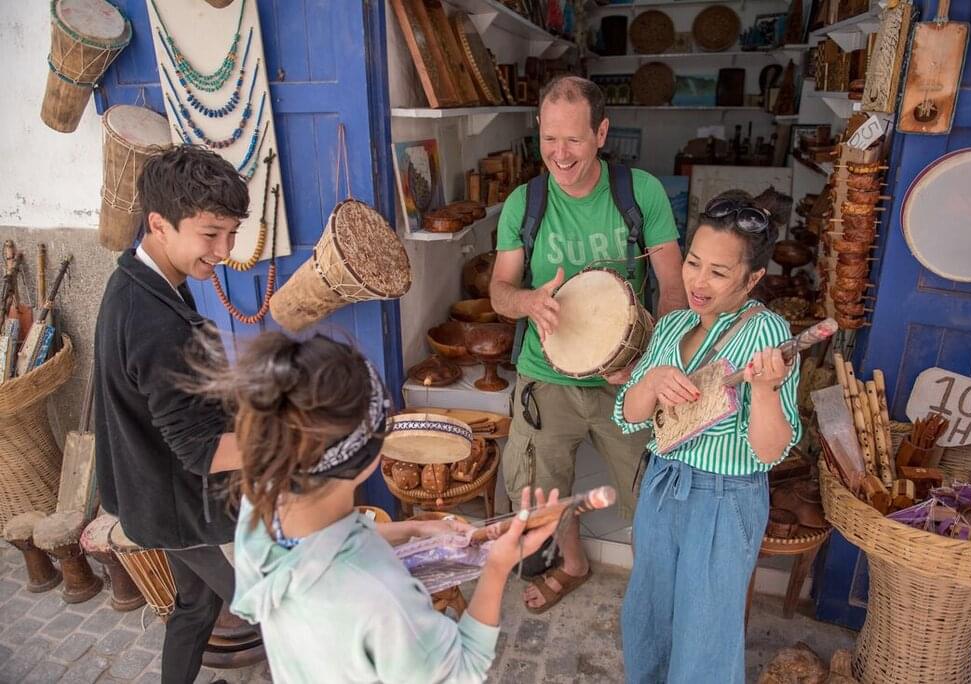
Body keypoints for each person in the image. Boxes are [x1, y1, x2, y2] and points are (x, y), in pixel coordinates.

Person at [182, 331, 560, 682]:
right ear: (367, 458)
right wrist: (496, 568)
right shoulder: (380, 595)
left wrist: (413, 529)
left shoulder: (260, 502)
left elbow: (319, 547)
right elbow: (462, 669)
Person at [489, 74, 685, 613]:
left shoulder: (639, 193)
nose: (560, 153)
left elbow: (673, 289)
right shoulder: (524, 203)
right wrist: (528, 302)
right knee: (539, 490)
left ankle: (655, 591)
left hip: (629, 379)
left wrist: (649, 363)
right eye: (549, 138)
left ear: (601, 133)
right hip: (545, 375)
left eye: (574, 139)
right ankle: (572, 564)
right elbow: (499, 291)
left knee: (652, 493)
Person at [613, 190, 803, 683]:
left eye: (718, 272)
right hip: (662, 486)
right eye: (693, 262)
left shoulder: (766, 332)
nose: (698, 282)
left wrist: (765, 390)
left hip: (723, 499)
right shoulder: (673, 325)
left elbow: (769, 450)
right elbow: (628, 415)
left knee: (705, 631)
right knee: (648, 614)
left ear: (752, 279)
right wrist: (651, 383)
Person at [93, 145, 248, 684]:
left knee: (196, 608)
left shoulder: (134, 279)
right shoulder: (156, 322)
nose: (224, 251)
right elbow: (203, 452)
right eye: (211, 234)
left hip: (154, 497)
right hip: (185, 510)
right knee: (282, 615)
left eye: (232, 233)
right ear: (159, 223)